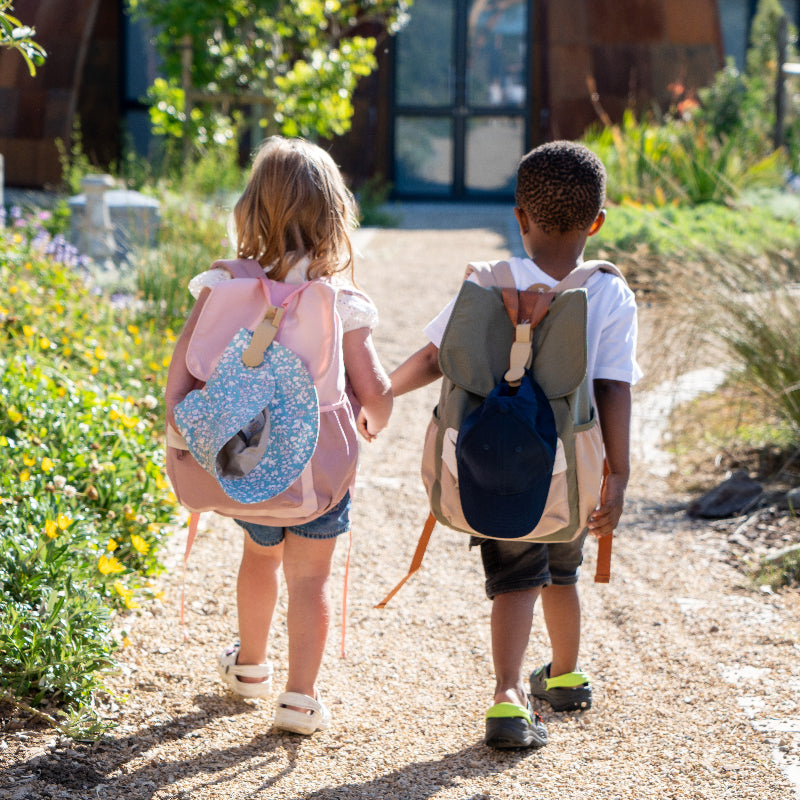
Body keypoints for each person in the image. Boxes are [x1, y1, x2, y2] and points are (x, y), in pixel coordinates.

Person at [389, 140, 641, 749]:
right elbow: (613, 387)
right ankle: (565, 675)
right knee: (563, 568)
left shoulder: (486, 283)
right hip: (571, 468)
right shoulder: (607, 292)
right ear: (598, 222)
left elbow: (435, 357)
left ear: (519, 216)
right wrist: (619, 474)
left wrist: (379, 395)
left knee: (513, 579)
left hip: (494, 462)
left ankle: (507, 696)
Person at [182, 137, 392, 735]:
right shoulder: (339, 299)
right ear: (334, 216)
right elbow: (374, 391)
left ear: (251, 210)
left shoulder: (226, 284)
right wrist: (373, 419)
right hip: (317, 467)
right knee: (311, 577)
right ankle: (300, 698)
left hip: (248, 458)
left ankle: (249, 667)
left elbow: (200, 365)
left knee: (258, 557)